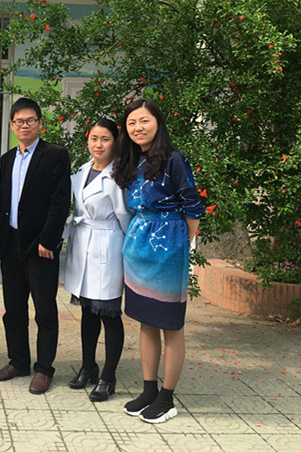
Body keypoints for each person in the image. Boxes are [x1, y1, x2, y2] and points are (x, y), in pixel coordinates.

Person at [113, 99, 205, 424]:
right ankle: (149, 390)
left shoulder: (174, 159)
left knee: (171, 325)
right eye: (132, 123)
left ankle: (167, 398)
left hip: (169, 248)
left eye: (144, 121)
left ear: (158, 122)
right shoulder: (131, 160)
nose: (138, 127)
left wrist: (181, 244)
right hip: (138, 247)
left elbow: (193, 206)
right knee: (146, 320)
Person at [0, 97, 71, 394]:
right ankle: (19, 361)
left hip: (40, 246)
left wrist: (49, 239)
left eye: (30, 120)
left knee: (44, 310)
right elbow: (4, 203)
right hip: (11, 243)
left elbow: (60, 200)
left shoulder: (55, 155)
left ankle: (44, 368)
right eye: (19, 121)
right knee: (13, 309)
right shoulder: (7, 158)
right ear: (12, 125)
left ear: (40, 123)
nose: (24, 125)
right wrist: (1, 241)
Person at [64, 119, 132, 401]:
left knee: (109, 314)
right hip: (83, 243)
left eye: (105, 139)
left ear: (115, 142)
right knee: (88, 311)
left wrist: (129, 251)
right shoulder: (82, 170)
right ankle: (88, 366)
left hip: (108, 245)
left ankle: (108, 376)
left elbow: (125, 216)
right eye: (94, 138)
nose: (98, 144)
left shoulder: (119, 176)